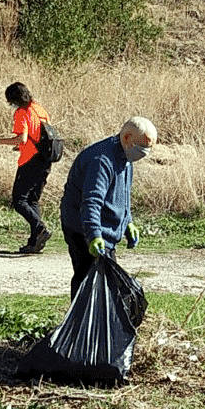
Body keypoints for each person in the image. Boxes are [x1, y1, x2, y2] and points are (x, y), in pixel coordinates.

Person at [59, 116, 156, 298]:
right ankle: (80, 325)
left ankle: (100, 324)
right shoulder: (101, 160)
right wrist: (94, 235)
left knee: (106, 286)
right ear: (127, 138)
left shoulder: (126, 157)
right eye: (141, 149)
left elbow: (122, 195)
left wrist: (127, 222)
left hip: (103, 231)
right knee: (87, 283)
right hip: (84, 230)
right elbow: (91, 201)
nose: (143, 154)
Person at [0, 82, 58, 255]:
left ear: (14, 99)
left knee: (19, 201)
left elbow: (22, 138)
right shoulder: (40, 109)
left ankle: (40, 229)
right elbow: (40, 135)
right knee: (32, 200)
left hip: (30, 161)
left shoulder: (21, 113)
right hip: (45, 160)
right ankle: (35, 242)